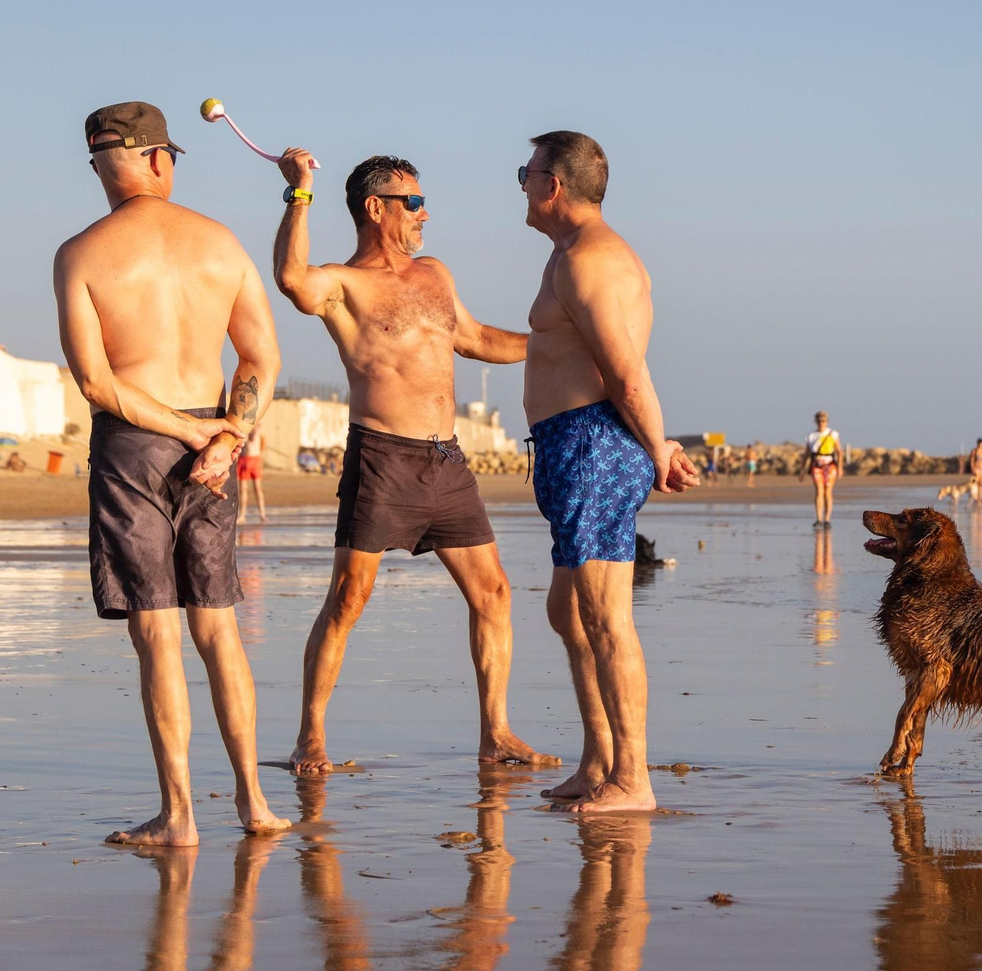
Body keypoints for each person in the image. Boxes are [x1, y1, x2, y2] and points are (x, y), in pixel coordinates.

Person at [272, 146, 553, 775]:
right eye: (414, 202)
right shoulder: (344, 285)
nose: (426, 213)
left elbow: (477, 340)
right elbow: (292, 279)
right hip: (382, 459)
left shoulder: (436, 274)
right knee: (349, 597)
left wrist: (559, 344)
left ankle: (496, 732)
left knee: (495, 593)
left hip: (446, 462)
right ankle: (310, 737)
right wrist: (299, 193)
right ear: (376, 208)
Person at [55, 102, 288, 845]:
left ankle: (180, 817)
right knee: (219, 629)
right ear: (161, 159)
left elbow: (96, 382)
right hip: (211, 447)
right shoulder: (219, 243)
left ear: (103, 166)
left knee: (157, 635)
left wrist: (187, 430)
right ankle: (255, 804)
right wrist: (226, 437)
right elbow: (260, 359)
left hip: (134, 445)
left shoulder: (81, 254)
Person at [520, 129, 700, 812]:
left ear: (553, 185)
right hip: (575, 445)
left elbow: (625, 371)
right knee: (567, 610)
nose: (520, 184)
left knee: (605, 617)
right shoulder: (573, 255)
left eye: (525, 171)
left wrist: (658, 446)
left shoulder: (589, 261)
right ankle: (600, 760)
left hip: (593, 446)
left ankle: (634, 777)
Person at [797, 411, 845, 525]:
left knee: (828, 491)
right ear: (816, 422)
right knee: (819, 491)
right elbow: (806, 454)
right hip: (816, 465)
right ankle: (819, 518)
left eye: (823, 421)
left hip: (830, 465)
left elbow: (839, 451)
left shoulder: (833, 434)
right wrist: (802, 469)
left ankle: (827, 519)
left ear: (827, 421)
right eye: (819, 421)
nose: (821, 423)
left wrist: (840, 468)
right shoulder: (811, 436)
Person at [235, 422, 268, 524]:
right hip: (243, 460)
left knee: (257, 488)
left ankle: (262, 514)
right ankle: (242, 515)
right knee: (243, 489)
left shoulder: (259, 427)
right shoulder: (242, 426)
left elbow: (261, 442)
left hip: (255, 459)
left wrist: (260, 456)